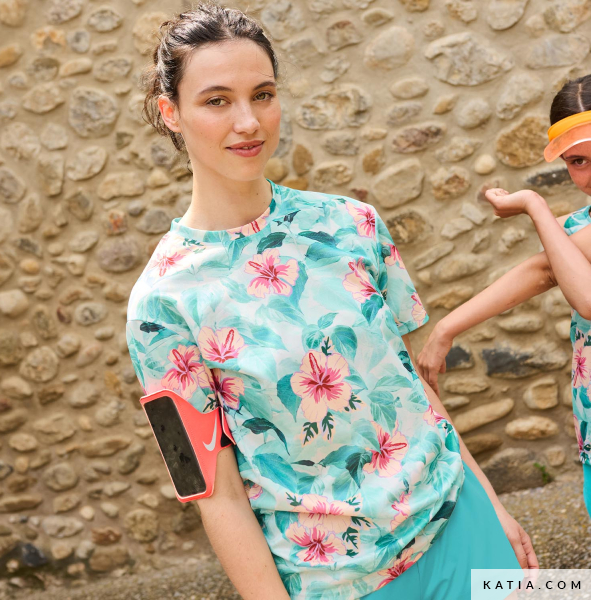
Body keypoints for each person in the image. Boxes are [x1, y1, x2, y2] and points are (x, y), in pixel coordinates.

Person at [125, 5, 536, 599]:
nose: (249, 122)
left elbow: (411, 386)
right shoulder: (160, 305)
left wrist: (491, 503)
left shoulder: (352, 223)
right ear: (171, 113)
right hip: (337, 582)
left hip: (461, 520)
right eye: (217, 101)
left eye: (263, 95)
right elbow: (214, 493)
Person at [417, 74, 591, 519]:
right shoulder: (579, 225)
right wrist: (445, 328)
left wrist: (533, 205)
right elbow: (542, 270)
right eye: (578, 161)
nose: (590, 174)